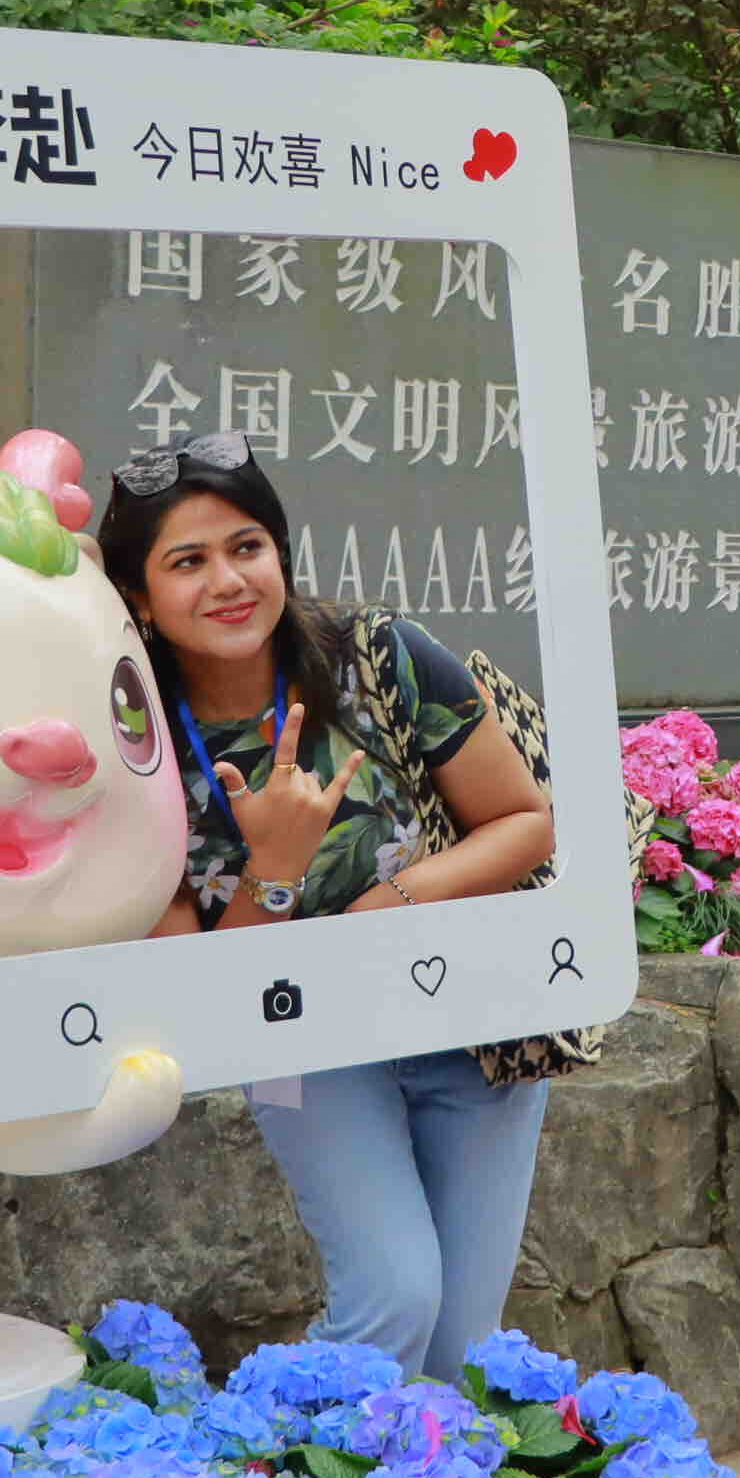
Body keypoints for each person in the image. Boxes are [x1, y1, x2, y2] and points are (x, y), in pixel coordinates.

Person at [101, 430, 558, 1380]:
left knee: (460, 1342)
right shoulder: (131, 742)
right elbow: (189, 982)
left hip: (471, 1021)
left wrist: (386, 903)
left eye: (247, 547)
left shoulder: (380, 655)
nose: (227, 580)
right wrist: (274, 869)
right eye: (187, 562)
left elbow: (522, 822)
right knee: (393, 1295)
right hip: (295, 1046)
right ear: (140, 597)